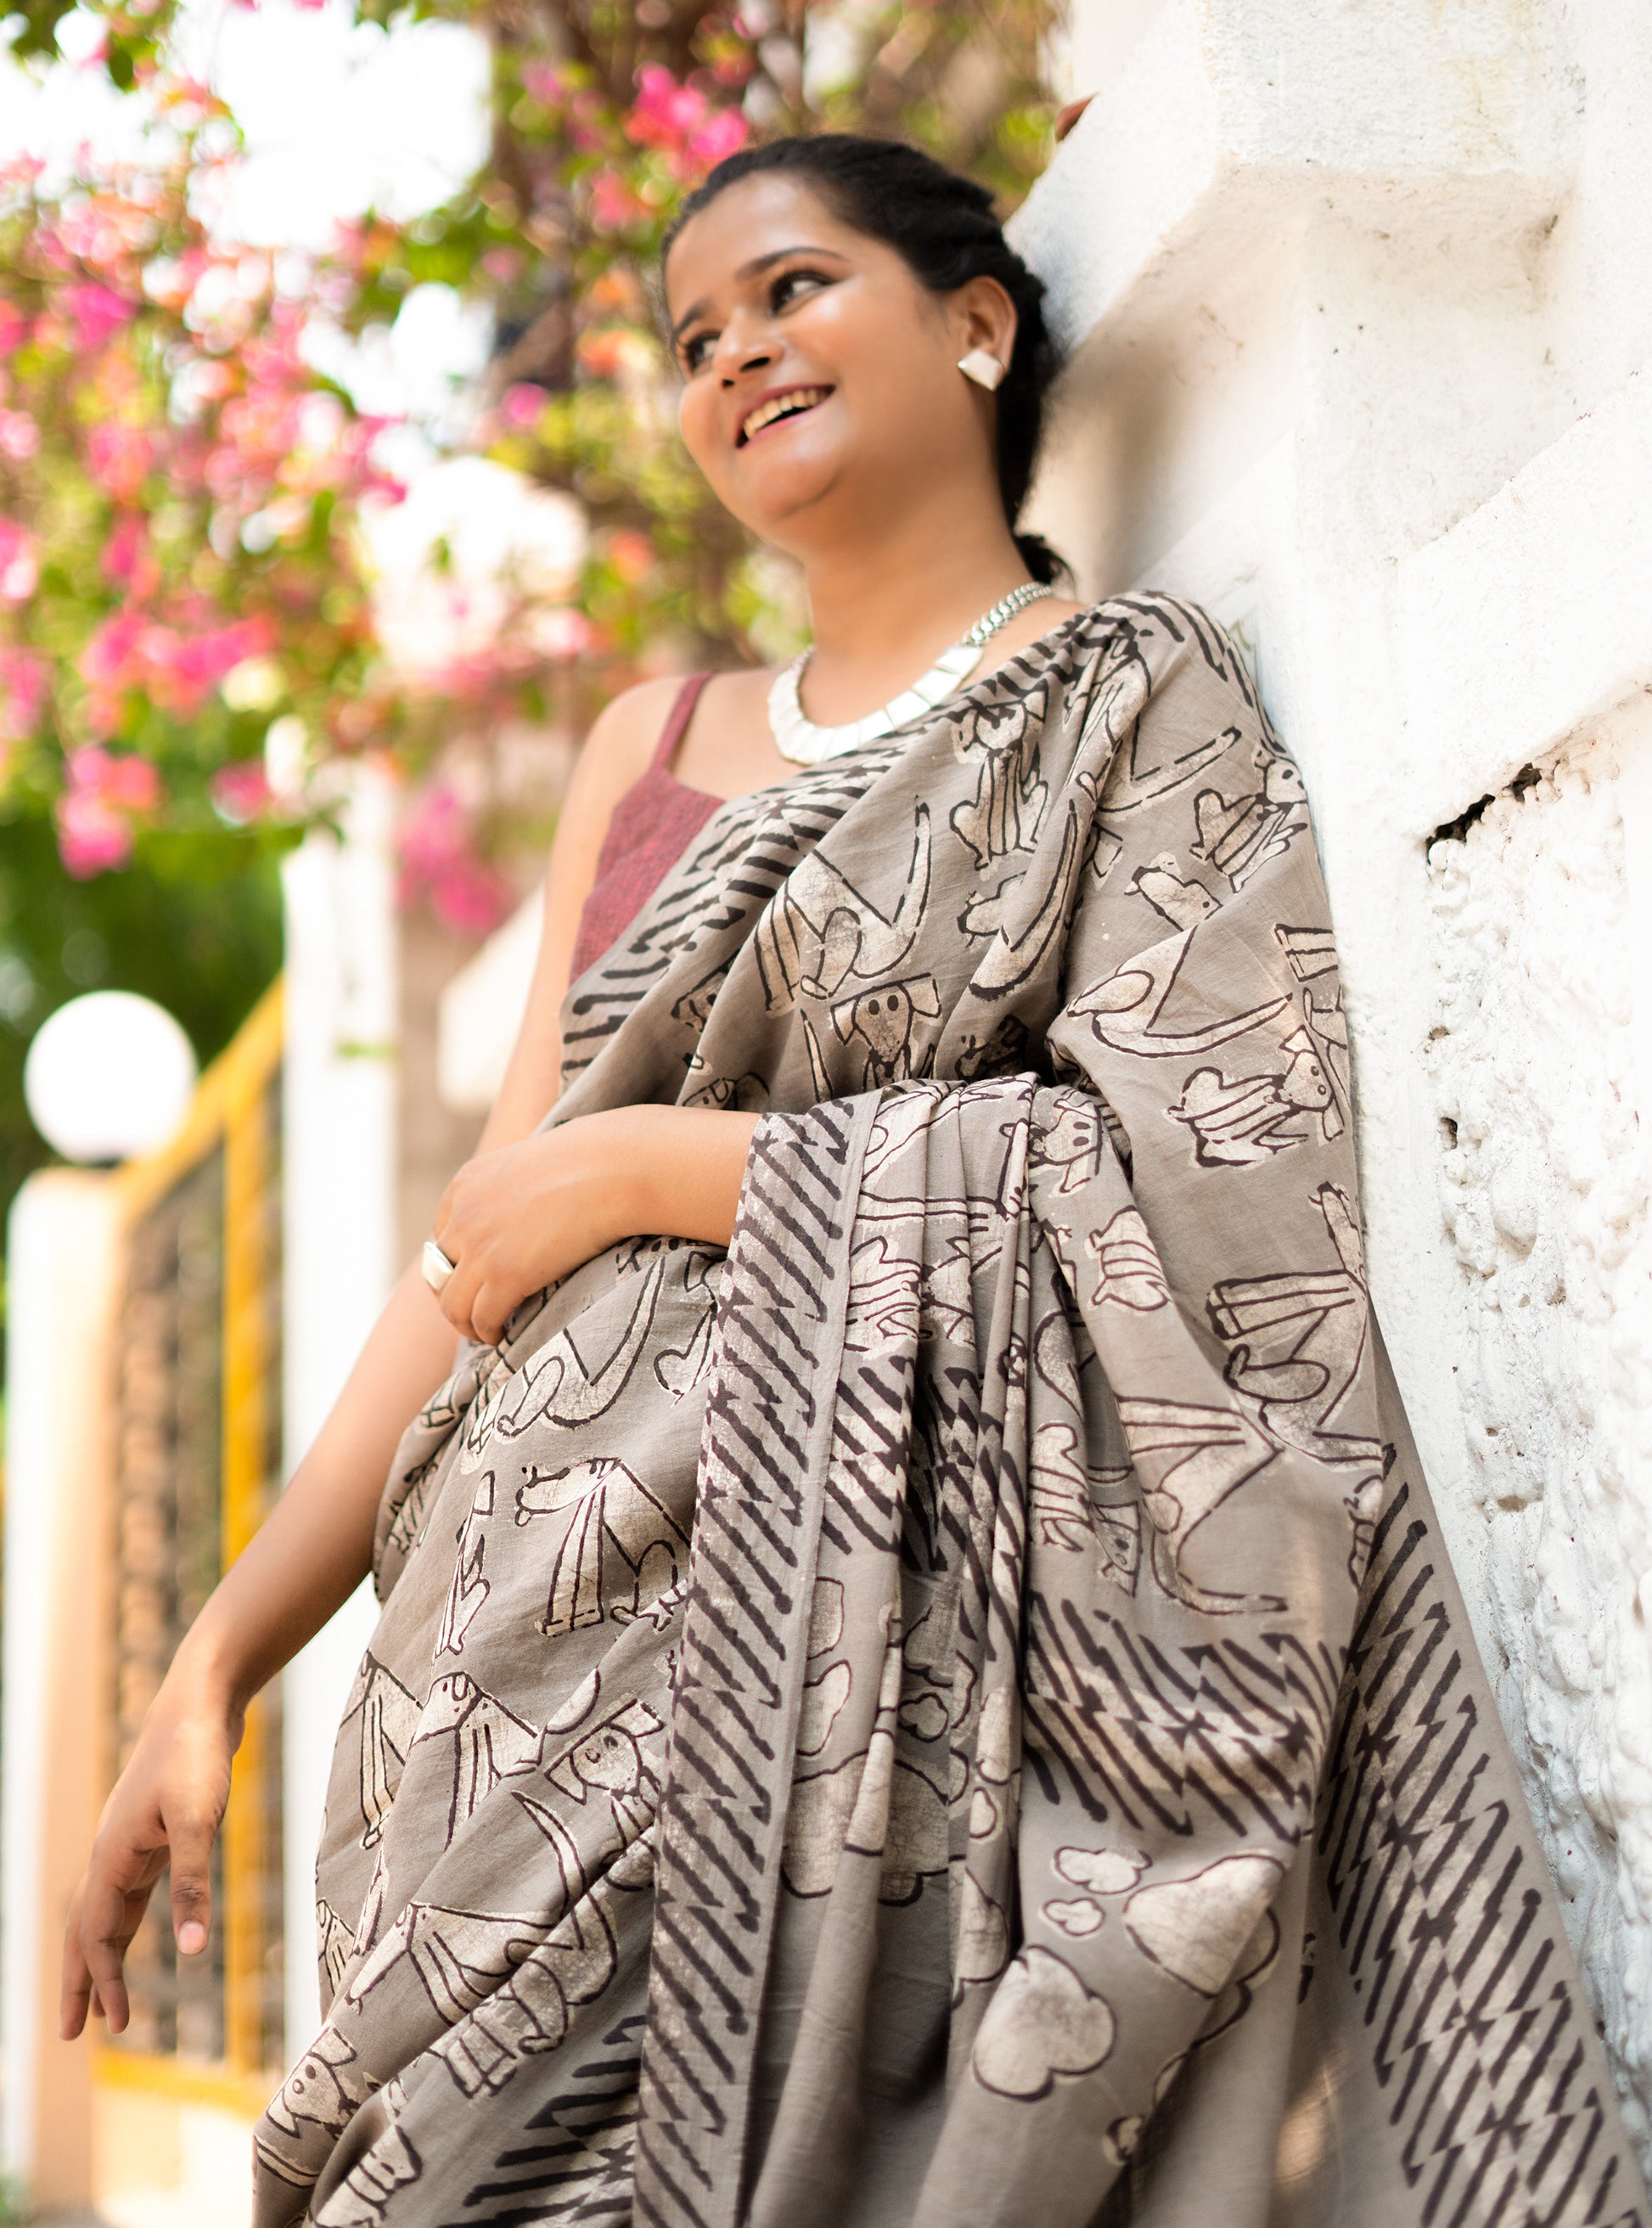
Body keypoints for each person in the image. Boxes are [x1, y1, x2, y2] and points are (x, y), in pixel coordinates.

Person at [61, 136, 1646, 2228]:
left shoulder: (1128, 703)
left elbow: (1215, 1201)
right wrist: (219, 1656)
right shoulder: (647, 753)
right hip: (499, 1701)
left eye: (792, 289)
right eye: (691, 339)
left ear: (975, 323)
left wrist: (661, 1167)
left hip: (877, 1715)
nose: (735, 356)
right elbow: (471, 1255)